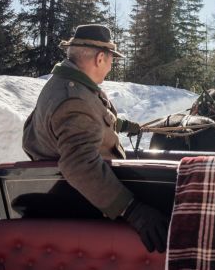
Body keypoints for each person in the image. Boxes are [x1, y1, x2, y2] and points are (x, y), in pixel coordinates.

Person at [22, 24, 168, 253]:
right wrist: (133, 210)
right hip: (86, 201)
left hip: (77, 192)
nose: (111, 67)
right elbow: (79, 164)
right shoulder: (74, 98)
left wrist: (124, 125)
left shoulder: (67, 85)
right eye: (111, 60)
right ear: (100, 58)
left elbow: (92, 119)